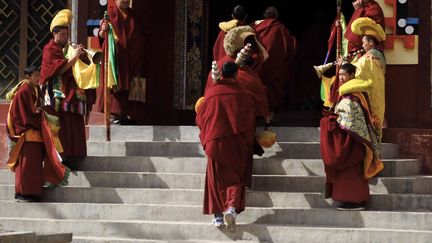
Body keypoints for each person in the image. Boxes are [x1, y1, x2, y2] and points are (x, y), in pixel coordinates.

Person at [196, 62, 254, 230]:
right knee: (234, 176)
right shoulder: (241, 93)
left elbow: (201, 118)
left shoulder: (212, 92)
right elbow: (248, 119)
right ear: (236, 75)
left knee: (215, 180)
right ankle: (231, 208)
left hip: (214, 141)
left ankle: (218, 217)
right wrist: (249, 140)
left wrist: (207, 135)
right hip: (235, 142)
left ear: (222, 74)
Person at [320, 63, 384, 210]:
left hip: (352, 142)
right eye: (340, 74)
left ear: (352, 76)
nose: (341, 78)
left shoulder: (351, 98)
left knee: (351, 172)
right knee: (351, 172)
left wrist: (328, 122)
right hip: (354, 140)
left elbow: (350, 123)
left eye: (344, 75)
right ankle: (353, 199)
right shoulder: (352, 94)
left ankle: (353, 200)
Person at [6, 66, 70, 202]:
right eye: (35, 75)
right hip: (28, 134)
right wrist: (40, 117)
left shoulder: (35, 89)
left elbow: (36, 108)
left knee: (34, 165)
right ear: (27, 77)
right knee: (26, 165)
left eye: (38, 75)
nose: (38, 78)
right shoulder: (23, 91)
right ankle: (22, 193)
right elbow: (23, 115)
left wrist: (43, 113)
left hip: (35, 134)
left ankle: (32, 192)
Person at [40, 9, 87, 168]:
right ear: (55, 34)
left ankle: (75, 154)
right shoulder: (50, 49)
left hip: (71, 92)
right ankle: (62, 156)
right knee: (61, 125)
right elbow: (58, 69)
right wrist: (74, 58)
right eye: (63, 35)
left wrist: (80, 54)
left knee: (73, 123)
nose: (66, 38)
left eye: (67, 35)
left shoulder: (68, 47)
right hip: (56, 94)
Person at [97, 0, 148, 124]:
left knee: (133, 84)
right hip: (117, 59)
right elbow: (102, 35)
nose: (125, 1)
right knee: (117, 85)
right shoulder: (110, 14)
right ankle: (116, 114)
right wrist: (103, 30)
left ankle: (131, 115)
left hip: (134, 59)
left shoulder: (133, 15)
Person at [252, 6, 297, 121]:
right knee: (273, 91)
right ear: (276, 16)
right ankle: (269, 118)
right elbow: (291, 46)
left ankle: (257, 116)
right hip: (277, 67)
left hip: (260, 66)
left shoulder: (255, 27)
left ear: (264, 15)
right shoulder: (281, 29)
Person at [351, 17, 386, 133]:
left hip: (370, 91)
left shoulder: (370, 56)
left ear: (371, 43)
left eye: (364, 42)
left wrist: (345, 65)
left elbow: (359, 71)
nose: (362, 45)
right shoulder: (376, 55)